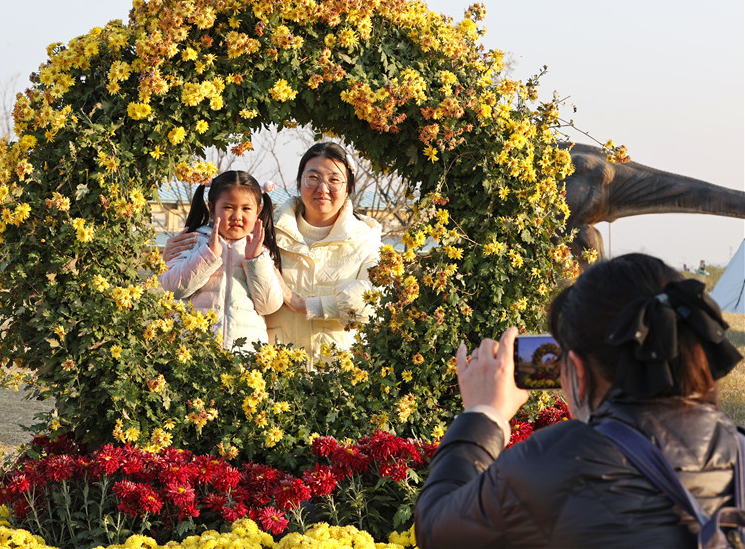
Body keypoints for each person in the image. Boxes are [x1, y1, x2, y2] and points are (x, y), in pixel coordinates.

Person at [415, 253, 744, 548]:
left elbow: (436, 529)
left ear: (577, 370)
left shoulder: (558, 459)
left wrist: (483, 414)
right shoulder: (738, 447)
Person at [164, 142, 382, 369]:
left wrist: (305, 305)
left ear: (348, 187)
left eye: (334, 180)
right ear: (299, 183)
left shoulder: (365, 238)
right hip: (275, 374)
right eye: (313, 178)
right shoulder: (267, 231)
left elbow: (376, 302)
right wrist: (173, 257)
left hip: (339, 371)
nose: (323, 188)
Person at [160, 170, 283, 353]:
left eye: (246, 208)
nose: (237, 216)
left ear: (258, 211)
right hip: (195, 351)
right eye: (228, 207)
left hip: (245, 358)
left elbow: (269, 305)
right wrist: (208, 255)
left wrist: (255, 260)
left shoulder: (261, 251)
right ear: (211, 209)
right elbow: (172, 287)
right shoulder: (193, 240)